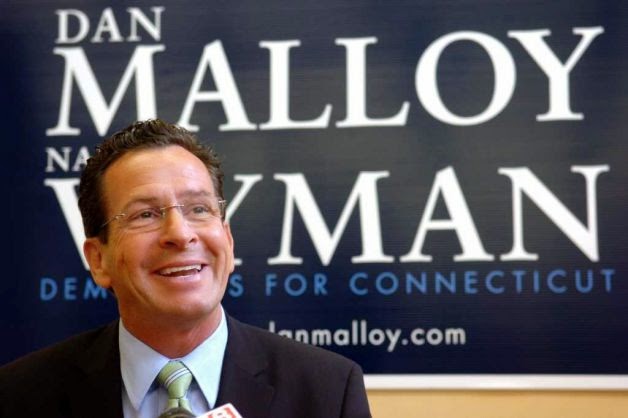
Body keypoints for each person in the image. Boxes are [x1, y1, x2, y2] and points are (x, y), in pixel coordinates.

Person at [0, 119, 372, 418]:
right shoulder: (19, 396)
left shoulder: (326, 392)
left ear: (227, 239)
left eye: (198, 209)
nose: (180, 234)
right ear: (98, 260)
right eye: (145, 214)